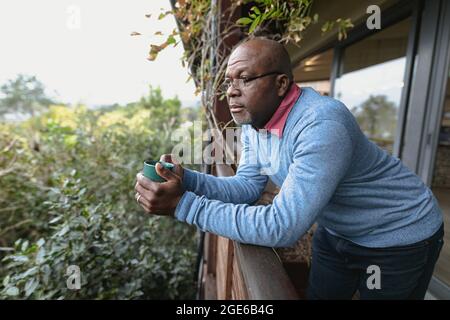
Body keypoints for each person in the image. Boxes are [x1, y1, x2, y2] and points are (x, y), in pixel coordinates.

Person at [134, 37, 444, 299]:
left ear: (281, 83)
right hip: (338, 232)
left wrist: (183, 205)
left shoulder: (321, 124)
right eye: (229, 82)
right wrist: (186, 180)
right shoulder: (254, 124)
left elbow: (281, 226)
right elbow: (247, 188)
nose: (231, 91)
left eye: (245, 78)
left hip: (399, 235)